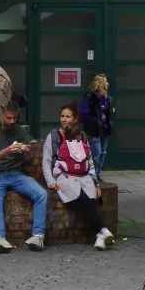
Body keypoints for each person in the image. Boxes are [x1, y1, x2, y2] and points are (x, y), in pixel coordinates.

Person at [42, 103, 114, 250]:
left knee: (91, 197)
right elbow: (46, 161)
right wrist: (50, 181)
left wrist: (96, 183)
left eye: (68, 116)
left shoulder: (82, 136)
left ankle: (100, 235)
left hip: (84, 176)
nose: (64, 119)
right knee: (82, 197)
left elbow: (89, 161)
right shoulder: (54, 136)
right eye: (62, 116)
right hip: (64, 176)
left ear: (75, 119)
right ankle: (103, 230)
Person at [0, 104, 48, 252]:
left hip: (15, 174)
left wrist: (25, 151)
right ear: (0, 116)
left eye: (14, 118)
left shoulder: (19, 131)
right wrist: (6, 151)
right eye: (8, 118)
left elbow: (29, 158)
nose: (12, 121)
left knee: (41, 194)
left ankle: (38, 236)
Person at [78, 74, 113, 181]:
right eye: (105, 82)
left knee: (102, 153)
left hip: (104, 130)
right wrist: (92, 122)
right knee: (95, 154)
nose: (108, 84)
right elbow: (83, 113)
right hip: (94, 130)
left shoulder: (106, 98)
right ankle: (92, 176)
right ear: (100, 84)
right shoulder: (90, 97)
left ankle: (98, 175)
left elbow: (107, 113)